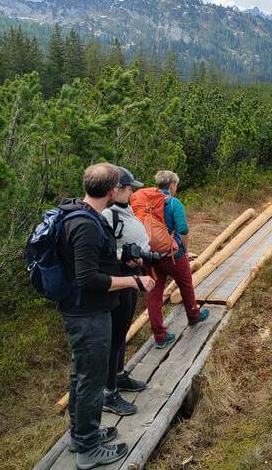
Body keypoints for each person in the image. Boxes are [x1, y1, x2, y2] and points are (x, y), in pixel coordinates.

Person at [56, 162, 155, 470]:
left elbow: (91, 264)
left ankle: (81, 435)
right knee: (90, 379)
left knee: (81, 376)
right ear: (113, 191)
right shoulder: (85, 224)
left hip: (85, 310)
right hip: (87, 312)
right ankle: (87, 451)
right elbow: (88, 278)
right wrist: (134, 281)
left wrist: (123, 260)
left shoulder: (80, 214)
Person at [99, 166, 149, 417]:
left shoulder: (124, 210)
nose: (132, 192)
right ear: (116, 190)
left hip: (131, 277)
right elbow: (104, 251)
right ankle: (108, 392)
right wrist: (124, 257)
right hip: (118, 278)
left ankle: (118, 375)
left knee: (122, 332)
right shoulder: (107, 214)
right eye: (129, 188)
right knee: (115, 335)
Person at [144, 170, 208, 348]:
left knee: (154, 294)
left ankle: (159, 335)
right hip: (173, 255)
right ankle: (194, 316)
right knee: (185, 284)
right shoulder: (173, 203)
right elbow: (183, 229)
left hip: (151, 255)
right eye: (176, 185)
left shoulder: (146, 202)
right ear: (172, 185)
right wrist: (185, 251)